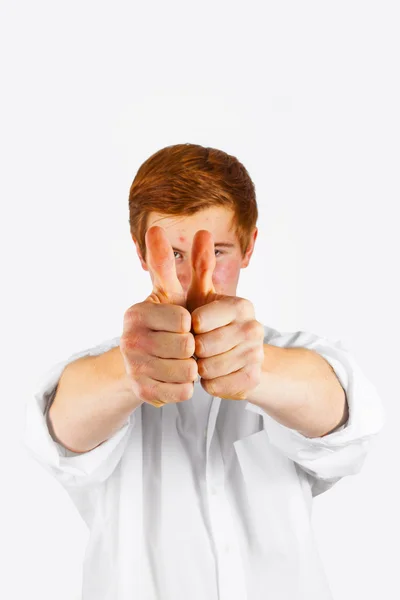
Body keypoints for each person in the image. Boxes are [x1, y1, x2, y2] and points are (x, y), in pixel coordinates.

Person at [23, 143, 385, 600]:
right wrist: (129, 371)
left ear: (250, 245)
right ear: (141, 252)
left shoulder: (291, 355)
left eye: (218, 250)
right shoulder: (103, 368)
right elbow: (57, 432)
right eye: (174, 253)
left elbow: (345, 421)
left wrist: (259, 368)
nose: (197, 277)